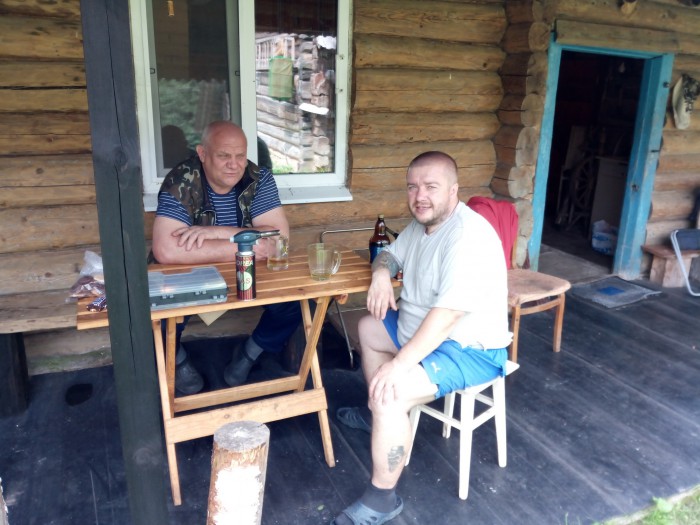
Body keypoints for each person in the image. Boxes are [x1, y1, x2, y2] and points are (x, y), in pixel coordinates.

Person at [332, 151, 512, 524]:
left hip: (466, 348)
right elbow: (388, 256)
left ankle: (382, 499)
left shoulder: (467, 236)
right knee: (368, 327)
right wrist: (381, 274)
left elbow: (447, 318)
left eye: (431, 186)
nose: (420, 196)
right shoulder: (421, 226)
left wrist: (399, 366)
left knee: (391, 393)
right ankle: (380, 415)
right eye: (413, 187)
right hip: (421, 332)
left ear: (453, 190)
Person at [151, 120, 301, 395]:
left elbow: (278, 241)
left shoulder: (257, 177)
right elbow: (166, 250)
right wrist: (246, 244)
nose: (234, 164)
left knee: (298, 303)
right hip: (190, 273)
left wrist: (215, 233)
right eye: (223, 156)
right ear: (203, 153)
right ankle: (177, 359)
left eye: (240, 155)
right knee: (153, 314)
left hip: (246, 270)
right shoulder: (182, 180)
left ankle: (250, 352)